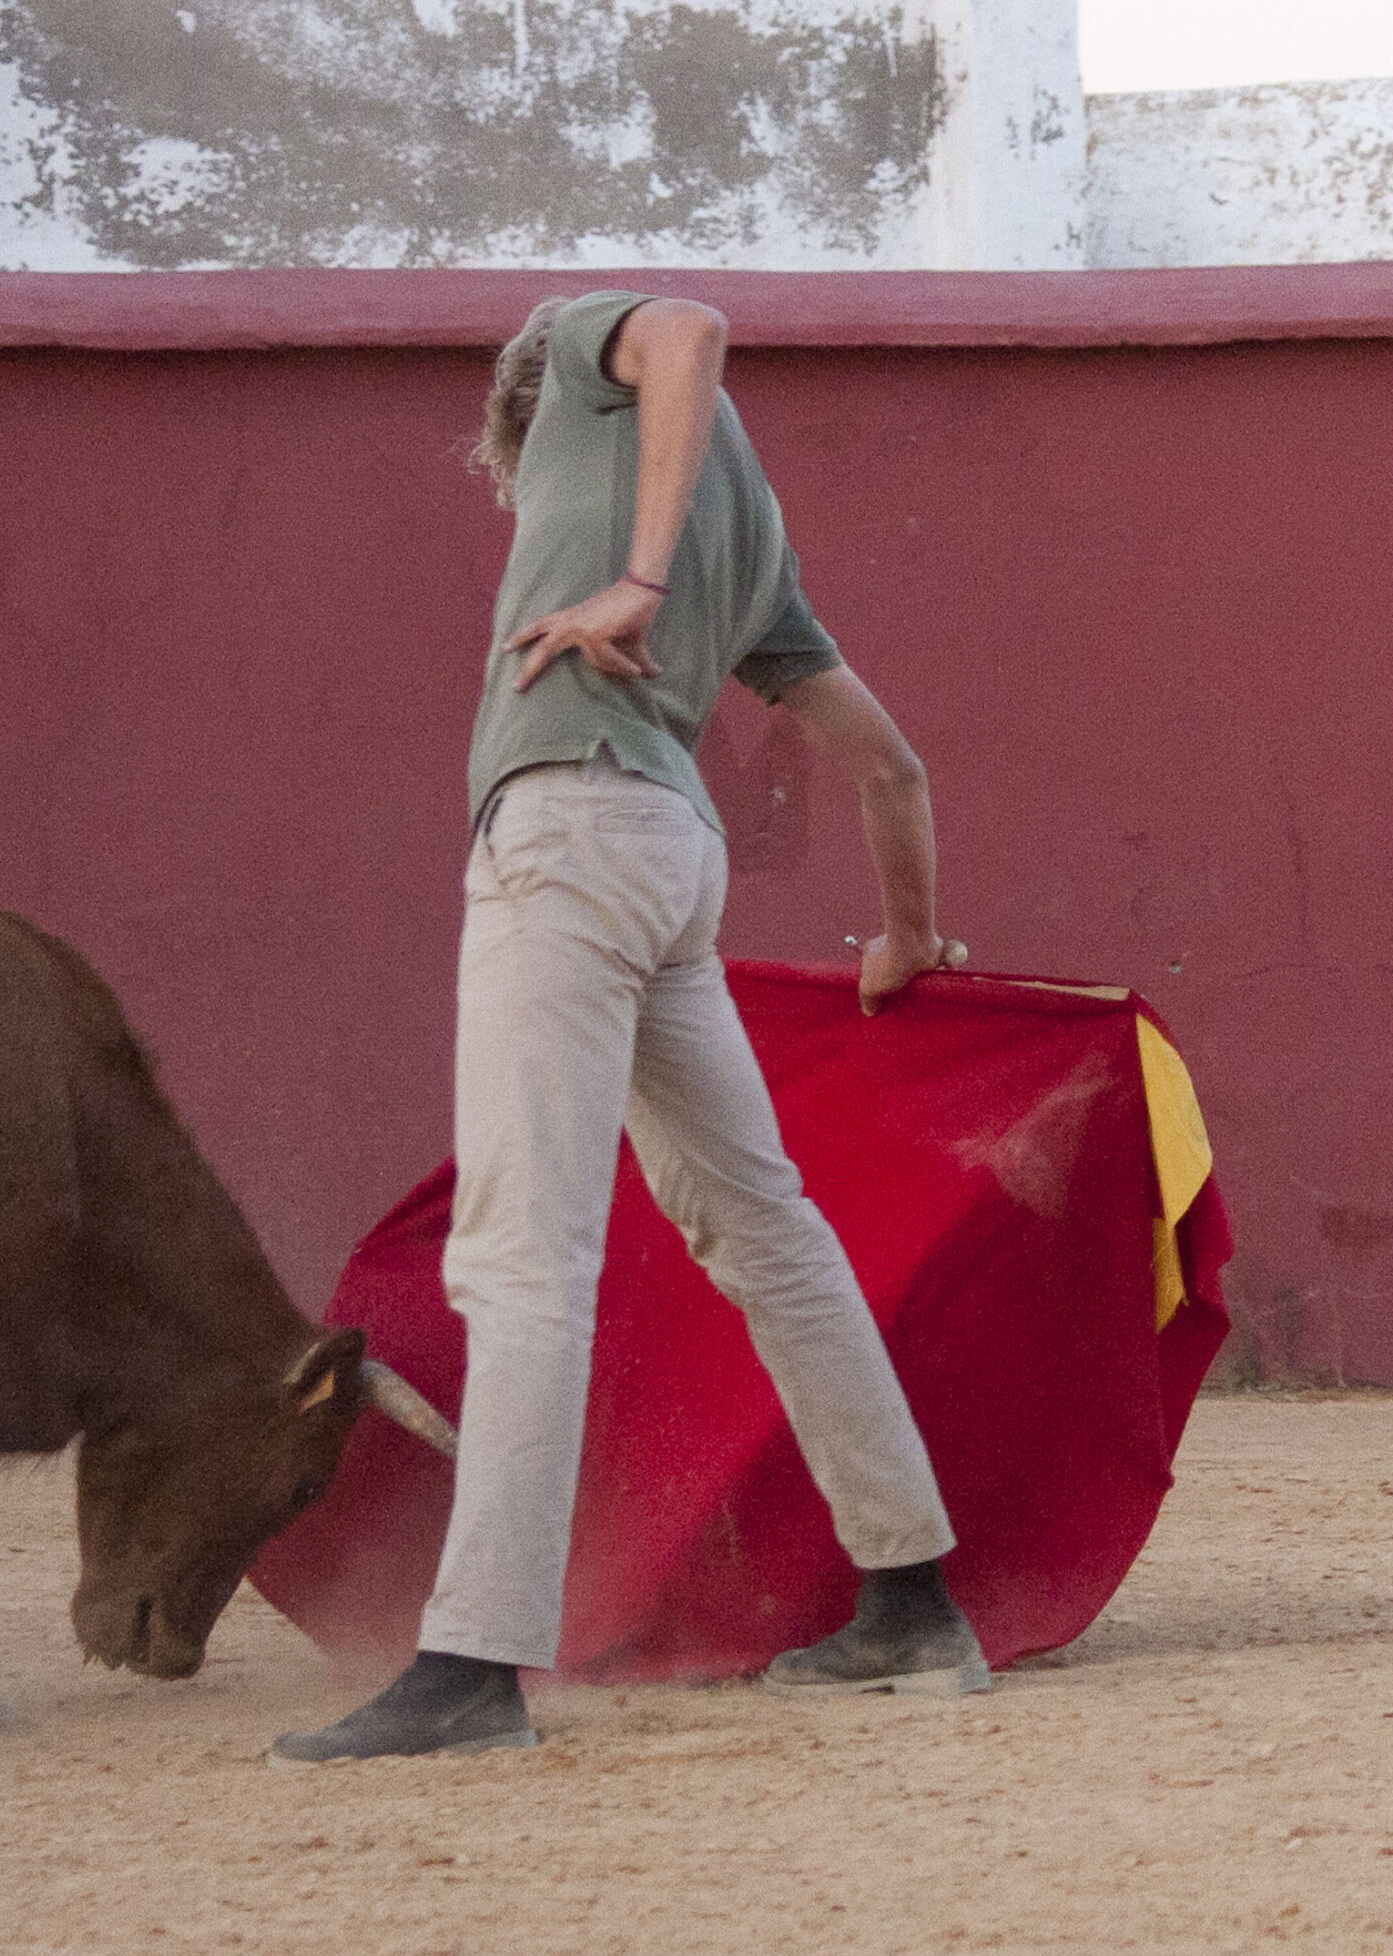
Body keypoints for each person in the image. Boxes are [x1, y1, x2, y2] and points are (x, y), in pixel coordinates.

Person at [271, 290, 988, 1766]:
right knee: (765, 1225)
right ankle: (911, 1596)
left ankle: (473, 1664)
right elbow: (894, 767)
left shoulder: (586, 373)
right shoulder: (764, 541)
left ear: (546, 412)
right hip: (669, 856)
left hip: (572, 832)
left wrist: (640, 580)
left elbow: (685, 321)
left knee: (525, 1248)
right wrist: (910, 934)